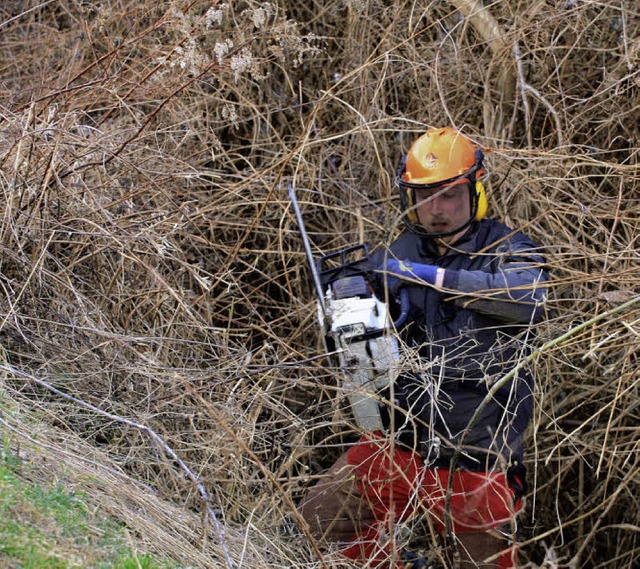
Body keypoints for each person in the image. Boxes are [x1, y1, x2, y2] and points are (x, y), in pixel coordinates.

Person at [299, 127, 549, 568]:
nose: (435, 209)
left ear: (475, 189)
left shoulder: (508, 250)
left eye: (449, 195)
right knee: (318, 528)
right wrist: (348, 299)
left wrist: (431, 278)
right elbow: (349, 341)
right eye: (423, 195)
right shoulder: (400, 251)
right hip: (401, 442)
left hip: (478, 458)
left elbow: (529, 299)